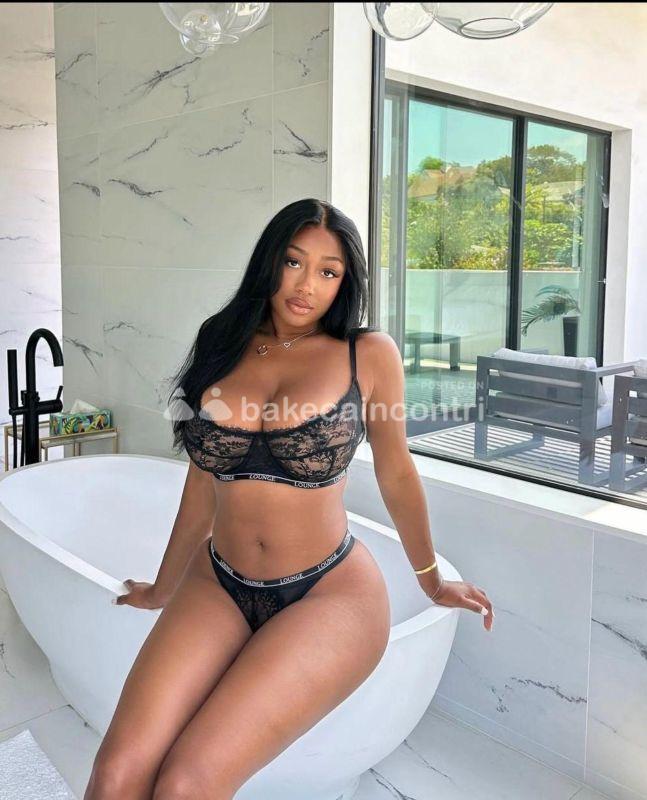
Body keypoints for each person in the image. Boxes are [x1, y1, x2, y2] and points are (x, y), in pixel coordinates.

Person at [84, 198, 493, 800]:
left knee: (185, 785)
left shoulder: (366, 354)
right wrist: (162, 589)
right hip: (219, 581)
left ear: (345, 282)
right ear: (270, 261)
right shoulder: (222, 340)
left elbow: (397, 473)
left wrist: (431, 582)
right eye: (294, 262)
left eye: (328, 272)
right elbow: (201, 483)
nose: (306, 286)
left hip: (329, 593)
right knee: (116, 775)